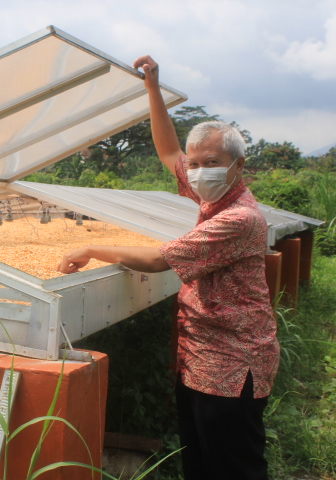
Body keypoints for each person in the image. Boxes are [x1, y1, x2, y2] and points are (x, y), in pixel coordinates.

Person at [58, 55, 280, 480]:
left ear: (238, 166)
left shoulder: (239, 218)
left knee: (234, 465)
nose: (198, 172)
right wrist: (153, 89)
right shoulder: (215, 199)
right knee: (200, 459)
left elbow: (161, 260)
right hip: (199, 356)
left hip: (231, 364)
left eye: (211, 162)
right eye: (195, 165)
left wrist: (92, 247)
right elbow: (168, 150)